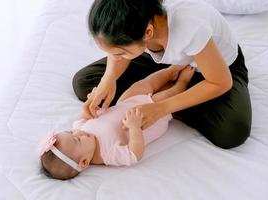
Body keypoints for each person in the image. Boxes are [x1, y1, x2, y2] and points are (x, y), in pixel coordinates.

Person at [72, 0, 252, 149]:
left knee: (232, 131)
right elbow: (116, 55)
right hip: (167, 59)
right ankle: (168, 89)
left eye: (119, 53)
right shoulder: (139, 21)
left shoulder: (190, 27)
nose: (116, 58)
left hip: (215, 69)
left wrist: (161, 108)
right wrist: (108, 79)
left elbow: (220, 82)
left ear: (148, 32)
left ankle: (171, 93)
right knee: (85, 82)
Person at [40, 66, 194, 180]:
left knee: (142, 85)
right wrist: (134, 128)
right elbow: (134, 154)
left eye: (70, 132)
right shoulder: (107, 155)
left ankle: (170, 71)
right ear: (84, 162)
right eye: (77, 139)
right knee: (169, 95)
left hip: (126, 102)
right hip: (147, 116)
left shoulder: (80, 129)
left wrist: (91, 99)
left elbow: (85, 115)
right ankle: (182, 82)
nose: (78, 132)